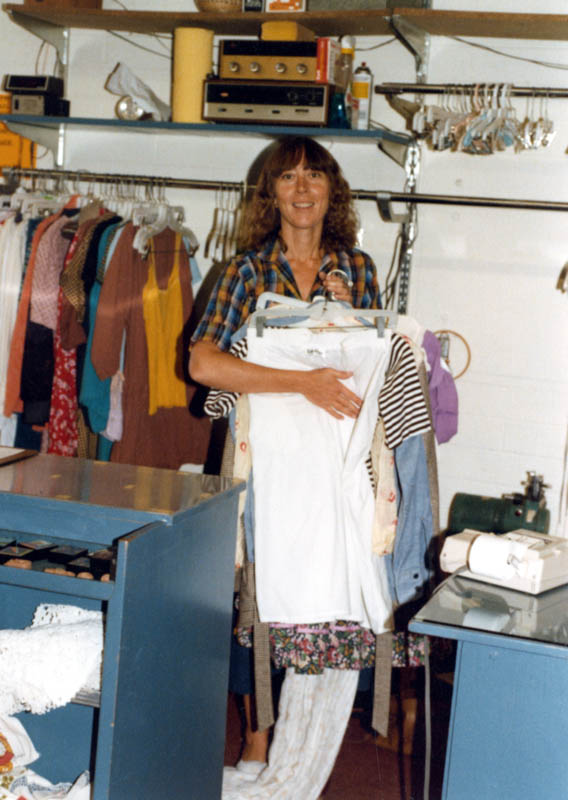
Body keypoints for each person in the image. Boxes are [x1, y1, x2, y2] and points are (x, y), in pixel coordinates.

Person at [189, 135, 383, 773]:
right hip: (264, 455)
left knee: (331, 583)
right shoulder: (245, 272)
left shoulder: (358, 269)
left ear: (333, 190)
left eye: (315, 176)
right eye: (288, 178)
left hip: (333, 458)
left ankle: (311, 728)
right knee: (260, 590)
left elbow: (377, 356)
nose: (302, 190)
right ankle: (256, 735)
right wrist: (303, 382)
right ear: (270, 194)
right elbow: (203, 363)